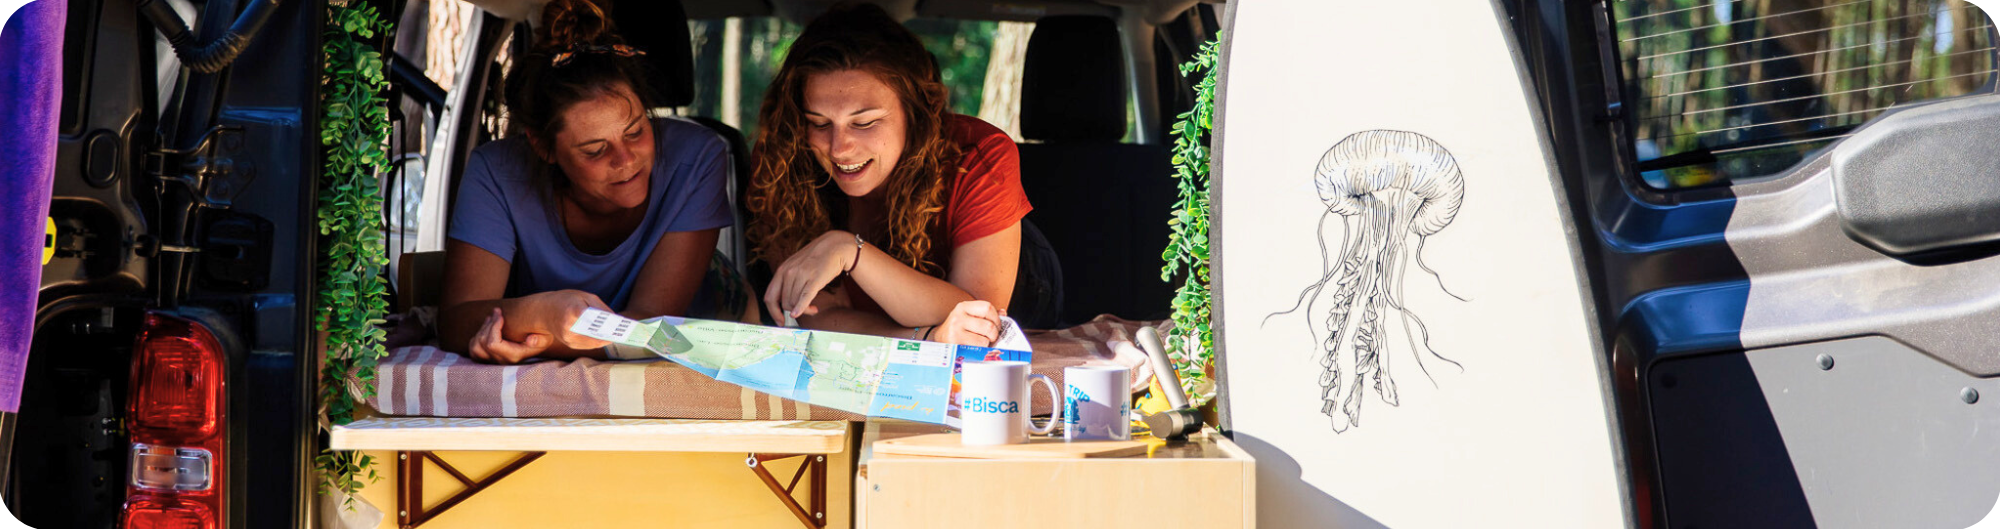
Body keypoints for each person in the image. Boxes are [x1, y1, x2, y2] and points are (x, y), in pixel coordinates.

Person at [438, 0, 734, 364]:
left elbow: (650, 328)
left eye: (636, 132)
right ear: (543, 147)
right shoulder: (496, 172)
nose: (626, 160)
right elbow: (455, 321)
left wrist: (531, 330)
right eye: (595, 150)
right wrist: (539, 313)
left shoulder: (696, 158)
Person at [747, 3, 1031, 347]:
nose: (839, 149)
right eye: (819, 123)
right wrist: (928, 338)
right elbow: (820, 316)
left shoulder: (979, 156)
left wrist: (849, 250)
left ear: (917, 114)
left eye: (864, 123)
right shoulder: (783, 159)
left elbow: (979, 324)